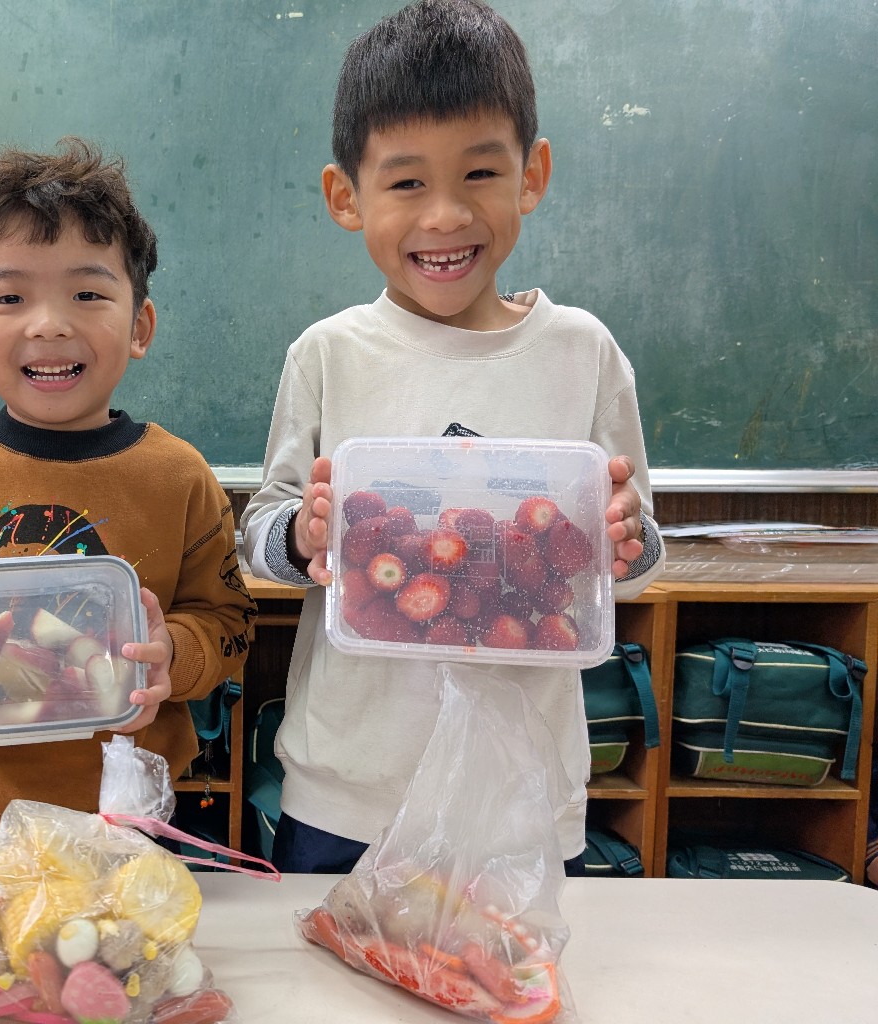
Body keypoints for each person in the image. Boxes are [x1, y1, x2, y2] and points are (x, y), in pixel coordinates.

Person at [240, 0, 665, 876]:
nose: (444, 216)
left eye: (479, 173)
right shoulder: (329, 354)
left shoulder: (582, 352)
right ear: (346, 196)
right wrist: (304, 535)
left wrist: (624, 537)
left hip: (521, 792)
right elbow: (262, 530)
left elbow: (636, 549)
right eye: (406, 183)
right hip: (348, 789)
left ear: (531, 176)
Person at [0, 138, 256, 867]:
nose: (50, 323)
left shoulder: (179, 477)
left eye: (88, 294)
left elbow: (231, 623)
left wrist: (173, 655)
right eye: (9, 297)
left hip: (121, 817)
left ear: (140, 325)